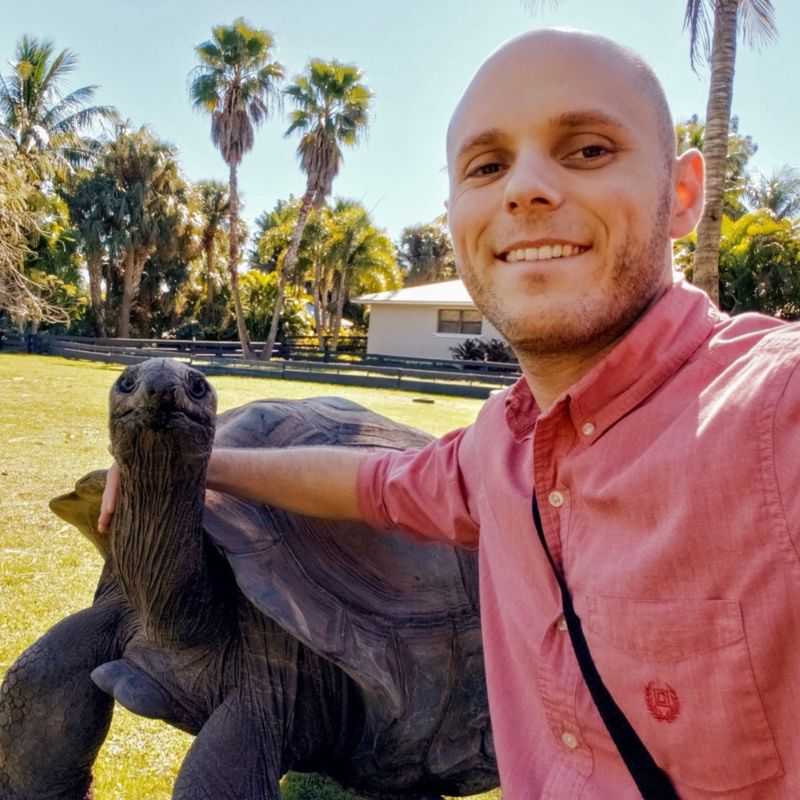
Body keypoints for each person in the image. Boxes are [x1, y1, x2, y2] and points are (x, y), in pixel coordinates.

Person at [100, 29, 800, 798]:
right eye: (488, 165)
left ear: (685, 195)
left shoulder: (769, 406)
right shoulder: (502, 448)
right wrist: (187, 460)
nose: (525, 188)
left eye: (589, 149)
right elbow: (372, 483)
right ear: (456, 214)